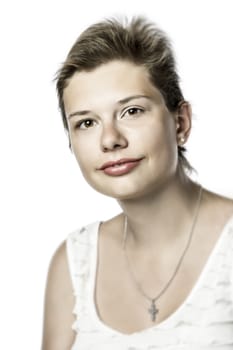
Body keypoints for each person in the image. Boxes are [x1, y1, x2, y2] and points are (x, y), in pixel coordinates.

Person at [42, 17, 233, 350]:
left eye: (131, 111)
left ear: (181, 122)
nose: (110, 139)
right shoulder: (74, 263)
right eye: (87, 122)